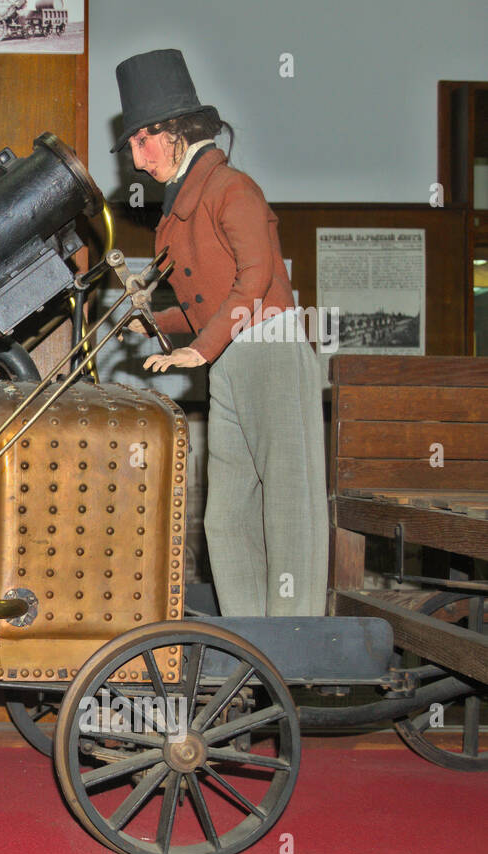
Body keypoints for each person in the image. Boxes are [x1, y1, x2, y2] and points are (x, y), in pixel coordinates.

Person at [112, 49, 327, 618]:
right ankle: (248, 634)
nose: (136, 160)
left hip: (271, 350)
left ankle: (295, 632)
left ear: (177, 132)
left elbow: (255, 279)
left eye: (141, 141)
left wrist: (201, 347)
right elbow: (203, 303)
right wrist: (152, 322)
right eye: (132, 146)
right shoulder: (183, 204)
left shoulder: (233, 188)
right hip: (230, 357)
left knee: (288, 504)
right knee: (226, 515)